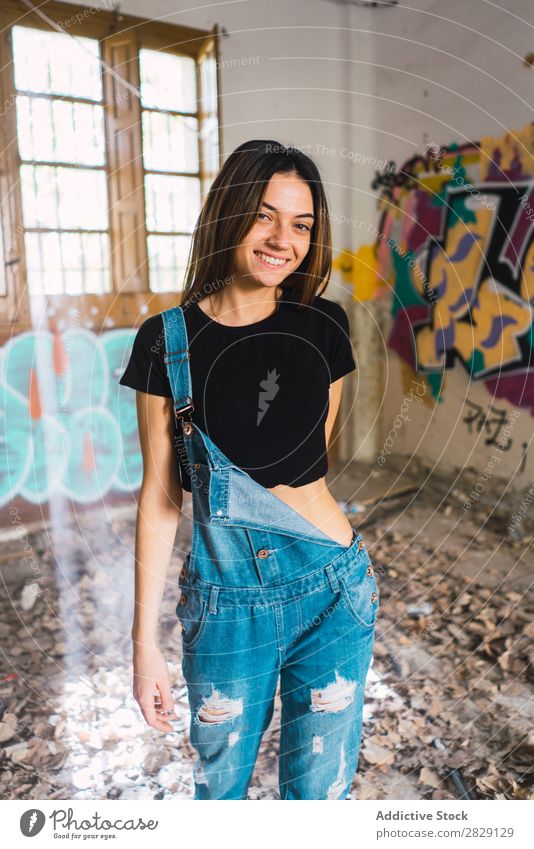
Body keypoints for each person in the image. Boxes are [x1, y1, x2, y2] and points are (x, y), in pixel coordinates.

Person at [119, 139, 379, 800]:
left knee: (318, 802)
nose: (282, 239)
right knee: (221, 797)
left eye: (301, 225)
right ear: (227, 214)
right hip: (227, 607)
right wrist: (143, 642)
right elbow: (160, 499)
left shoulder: (325, 325)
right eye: (264, 215)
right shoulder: (166, 340)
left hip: (333, 590)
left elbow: (306, 465)